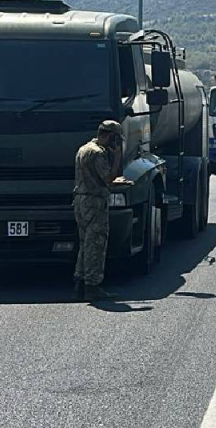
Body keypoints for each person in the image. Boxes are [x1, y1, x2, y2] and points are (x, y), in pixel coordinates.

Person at [72, 120, 131, 302]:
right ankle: (92, 285)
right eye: (115, 138)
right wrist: (117, 158)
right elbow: (108, 177)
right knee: (96, 243)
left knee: (85, 242)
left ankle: (80, 282)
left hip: (81, 200)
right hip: (95, 202)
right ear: (110, 136)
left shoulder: (83, 149)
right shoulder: (98, 153)